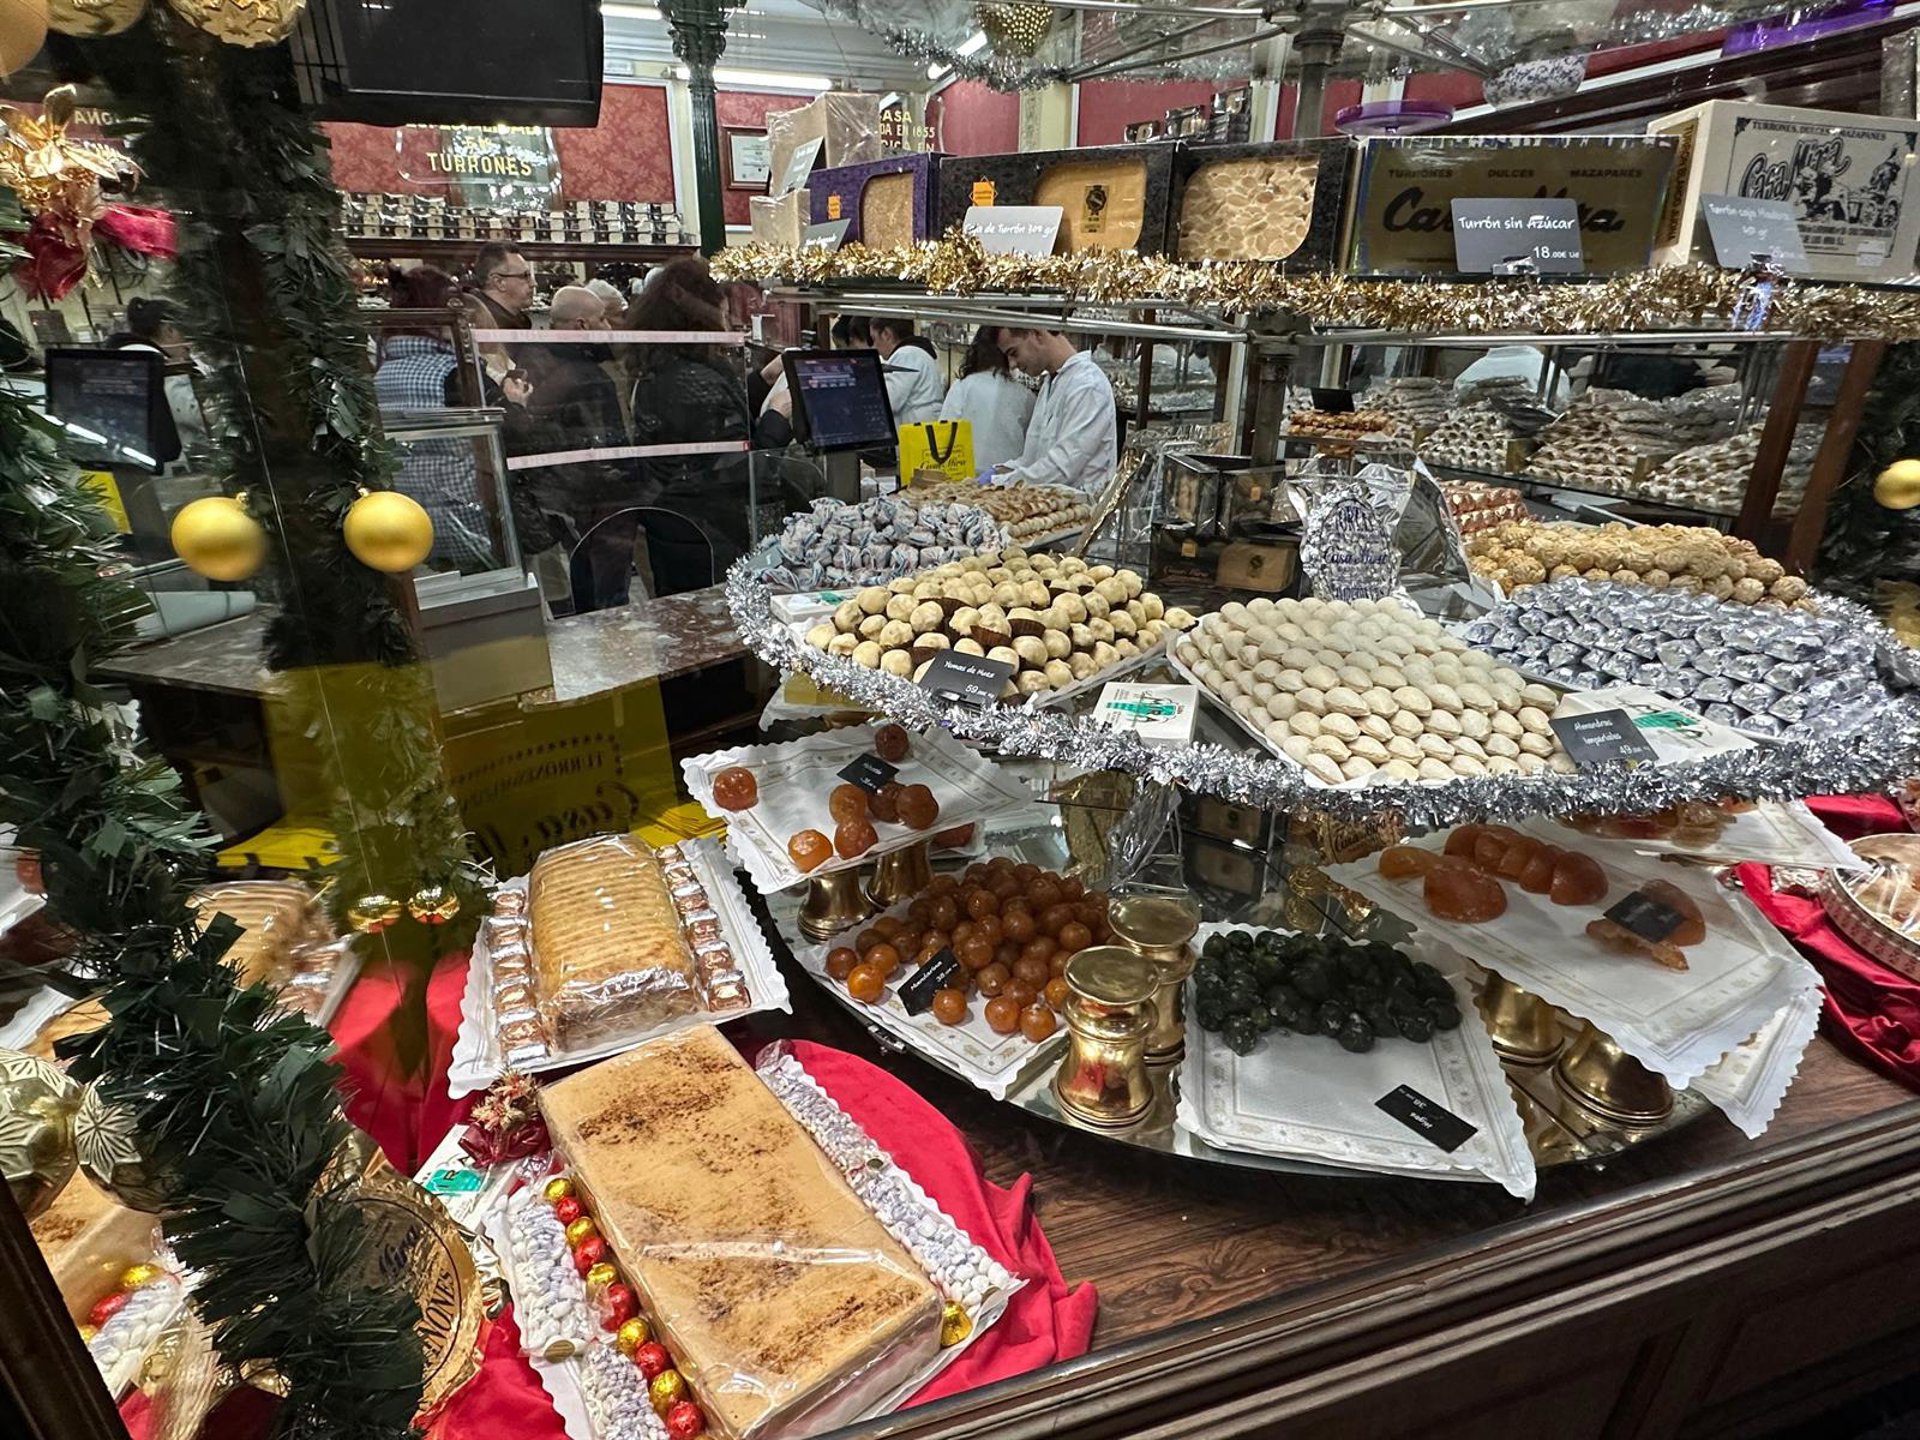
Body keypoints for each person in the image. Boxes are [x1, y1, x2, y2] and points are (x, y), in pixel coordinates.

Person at [624, 256, 754, 595]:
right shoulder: (690, 379)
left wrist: (760, 383)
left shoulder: (660, 368)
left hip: (673, 519)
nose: (729, 324)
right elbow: (732, 462)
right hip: (706, 526)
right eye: (724, 314)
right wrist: (778, 417)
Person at [372, 267, 495, 570]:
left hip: (411, 513)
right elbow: (499, 435)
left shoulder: (382, 374)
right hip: (469, 513)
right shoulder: (457, 372)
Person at [987, 326, 1117, 494]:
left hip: (1083, 506)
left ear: (1037, 334)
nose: (1012, 364)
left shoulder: (1088, 385)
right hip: (1050, 501)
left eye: (1014, 353)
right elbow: (1032, 460)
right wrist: (999, 471)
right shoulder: (1051, 383)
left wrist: (1002, 482)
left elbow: (1062, 467)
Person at [109, 296, 207, 453]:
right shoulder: (164, 368)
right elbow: (200, 417)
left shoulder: (125, 359)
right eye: (186, 332)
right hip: (177, 456)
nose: (189, 342)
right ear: (169, 330)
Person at [940, 326, 1035, 473]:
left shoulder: (962, 386)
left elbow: (944, 432)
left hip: (965, 475)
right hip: (1008, 476)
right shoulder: (1025, 395)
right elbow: (1032, 447)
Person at [872, 316, 944, 425]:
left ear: (887, 334)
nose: (874, 346)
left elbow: (889, 401)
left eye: (874, 339)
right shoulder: (916, 352)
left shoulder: (906, 354)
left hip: (918, 430)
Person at [470, 242, 535, 330]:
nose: (533, 283)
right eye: (524, 276)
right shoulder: (486, 327)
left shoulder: (514, 321)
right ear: (499, 282)